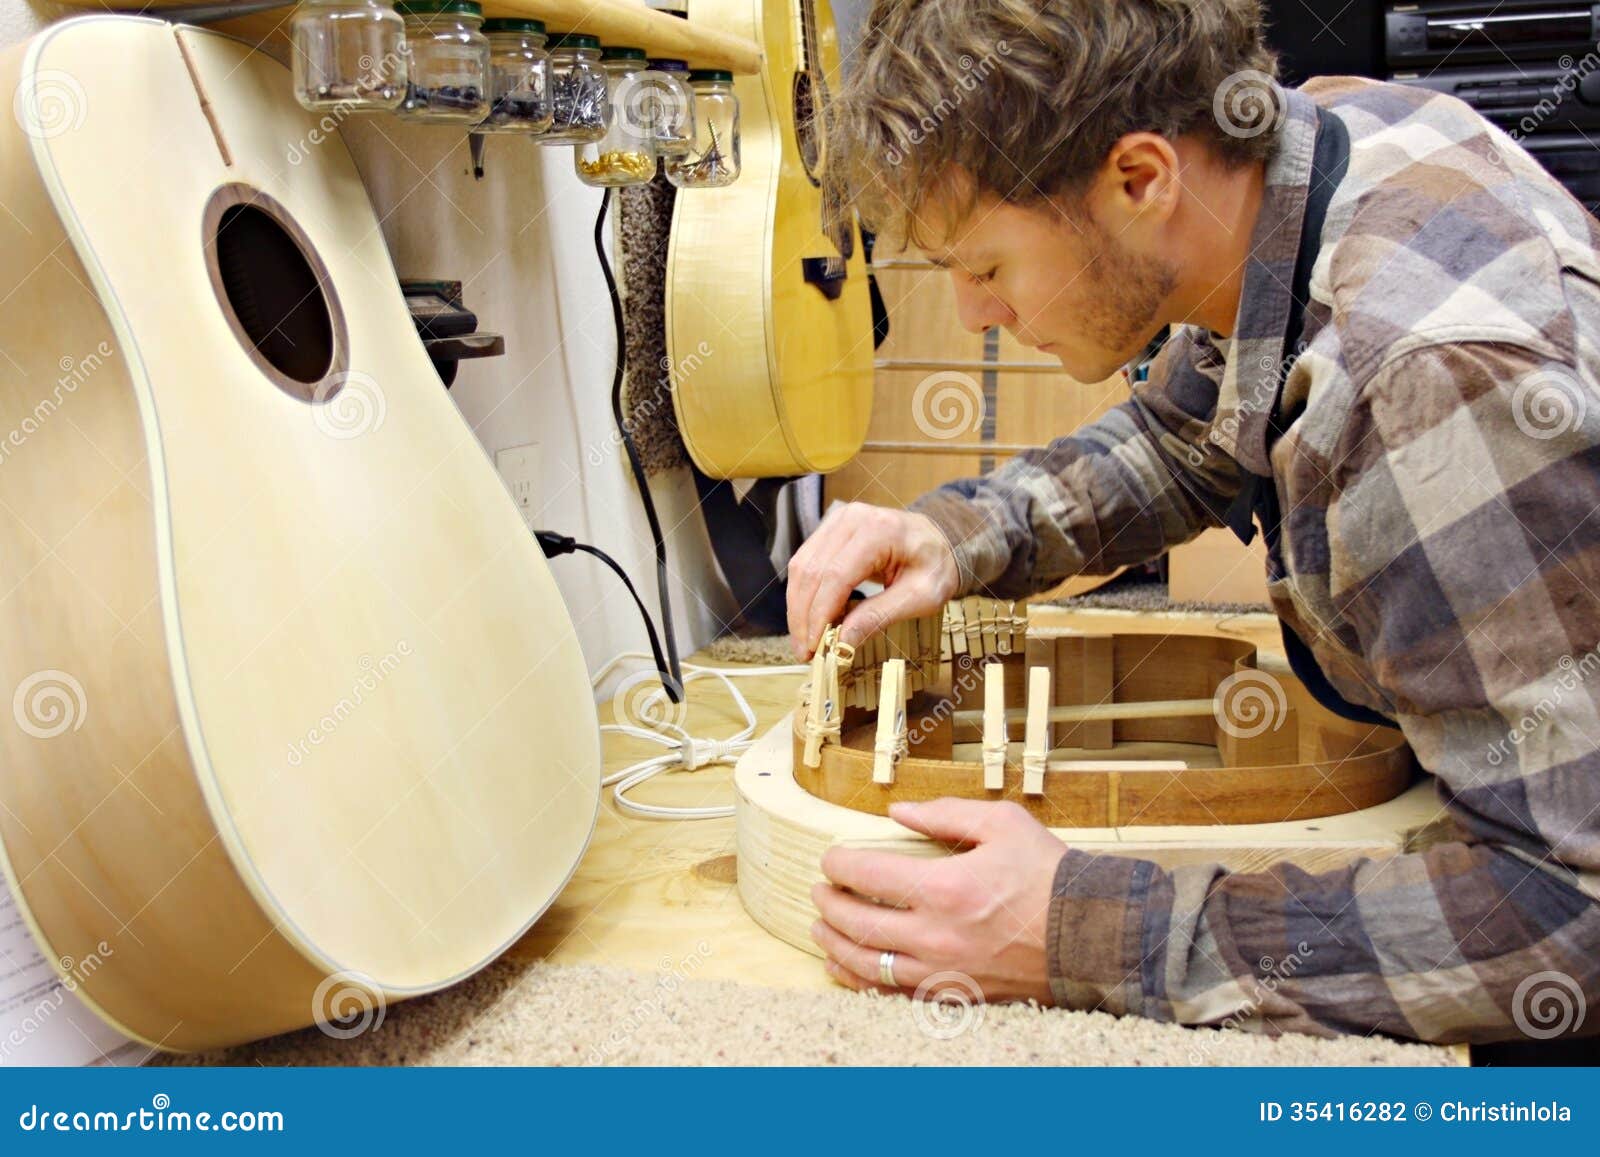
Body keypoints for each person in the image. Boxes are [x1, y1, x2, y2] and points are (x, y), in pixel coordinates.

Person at [785, 0, 1600, 1043]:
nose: (973, 316)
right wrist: (964, 530)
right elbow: (1193, 433)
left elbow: (1565, 915)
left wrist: (1089, 932)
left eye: (985, 267)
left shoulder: (1420, 385)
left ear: (1138, 179)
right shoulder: (1322, 146)